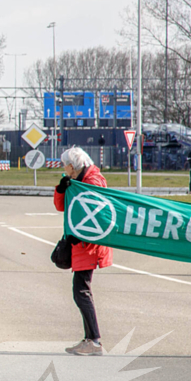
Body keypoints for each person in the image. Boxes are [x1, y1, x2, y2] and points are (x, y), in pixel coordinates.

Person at [54, 146, 113, 356]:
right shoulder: (76, 181)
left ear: (72, 166)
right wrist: (61, 189)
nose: (63, 168)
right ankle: (90, 339)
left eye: (65, 165)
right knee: (80, 291)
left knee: (81, 292)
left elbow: (96, 215)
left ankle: (94, 341)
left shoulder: (93, 181)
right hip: (80, 244)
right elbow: (61, 206)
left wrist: (80, 236)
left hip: (88, 246)